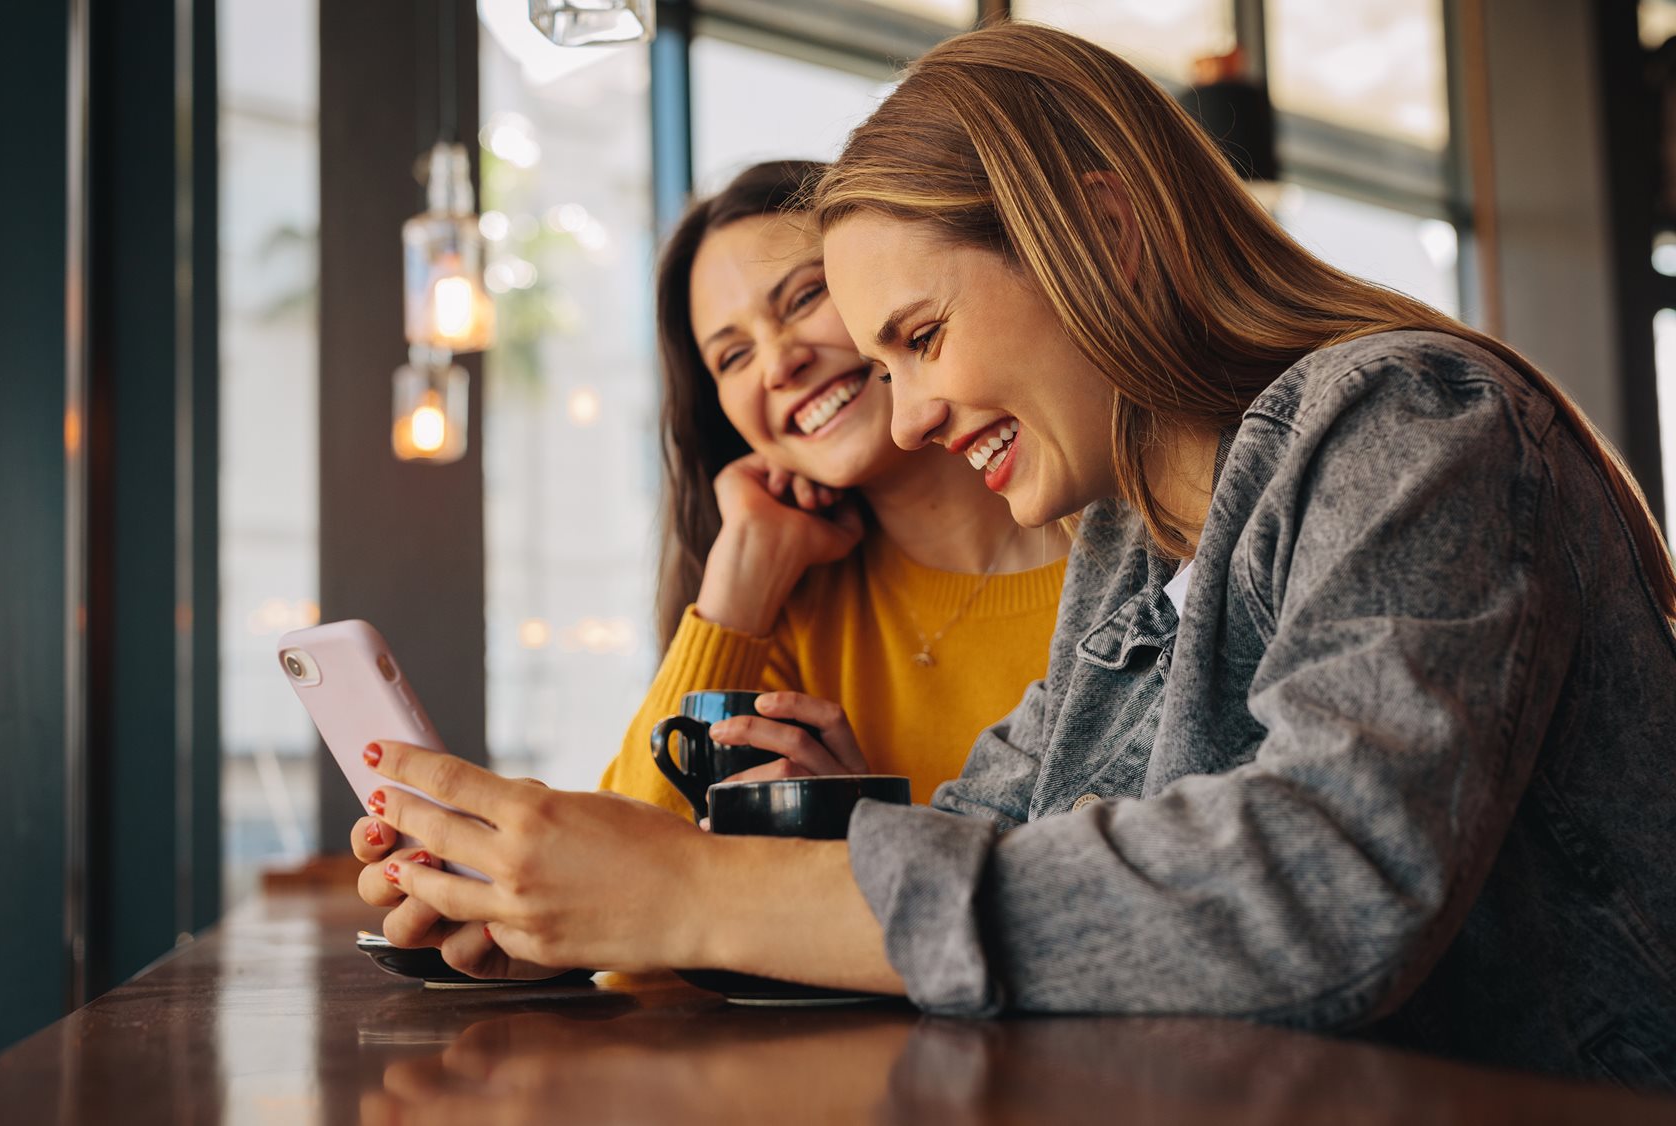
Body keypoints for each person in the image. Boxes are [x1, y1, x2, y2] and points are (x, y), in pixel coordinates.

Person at [351, 25, 1676, 1087]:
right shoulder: (1129, 549)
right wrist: (550, 907)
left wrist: (689, 889)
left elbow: (1324, 885)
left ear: (1100, 229)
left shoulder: (1408, 422)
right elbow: (984, 836)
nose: (911, 412)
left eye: (920, 336)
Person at [597, 159, 1068, 812]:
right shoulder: (783, 619)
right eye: (733, 357)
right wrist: (742, 574)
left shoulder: (1132, 537)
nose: (780, 363)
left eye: (804, 298)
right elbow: (625, 877)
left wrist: (875, 836)